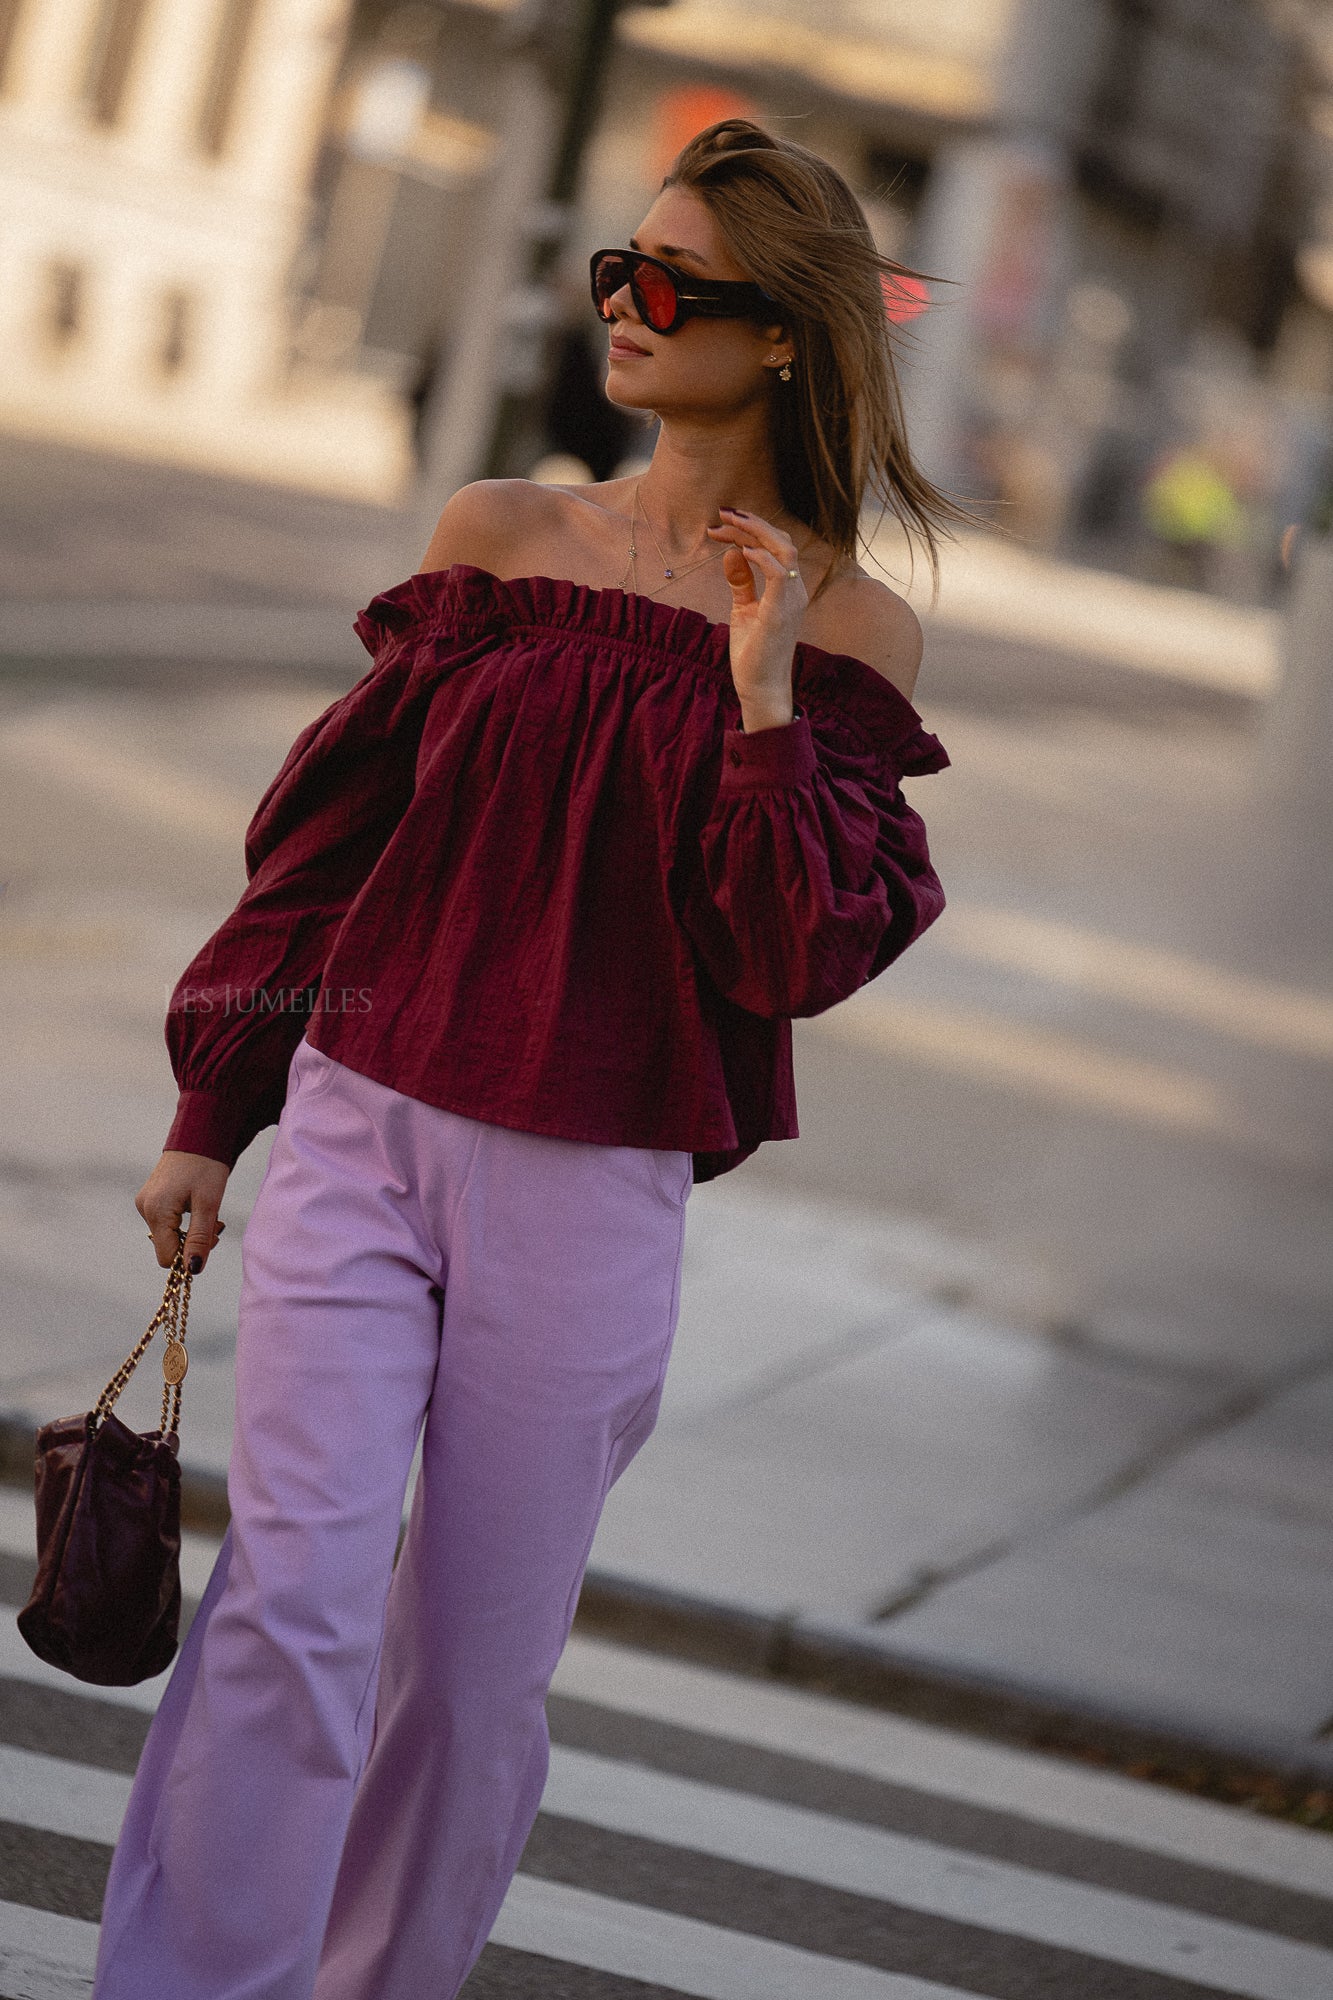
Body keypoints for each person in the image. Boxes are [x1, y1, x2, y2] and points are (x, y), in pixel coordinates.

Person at [94, 118, 963, 2000]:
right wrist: (208, 1109)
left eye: (677, 288)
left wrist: (757, 692)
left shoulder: (849, 630)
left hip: (591, 1182)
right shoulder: (497, 538)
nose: (627, 313)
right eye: (616, 274)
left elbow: (796, 947)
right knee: (293, 1613)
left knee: (472, 1683)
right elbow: (324, 846)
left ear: (790, 337)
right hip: (362, 1124)